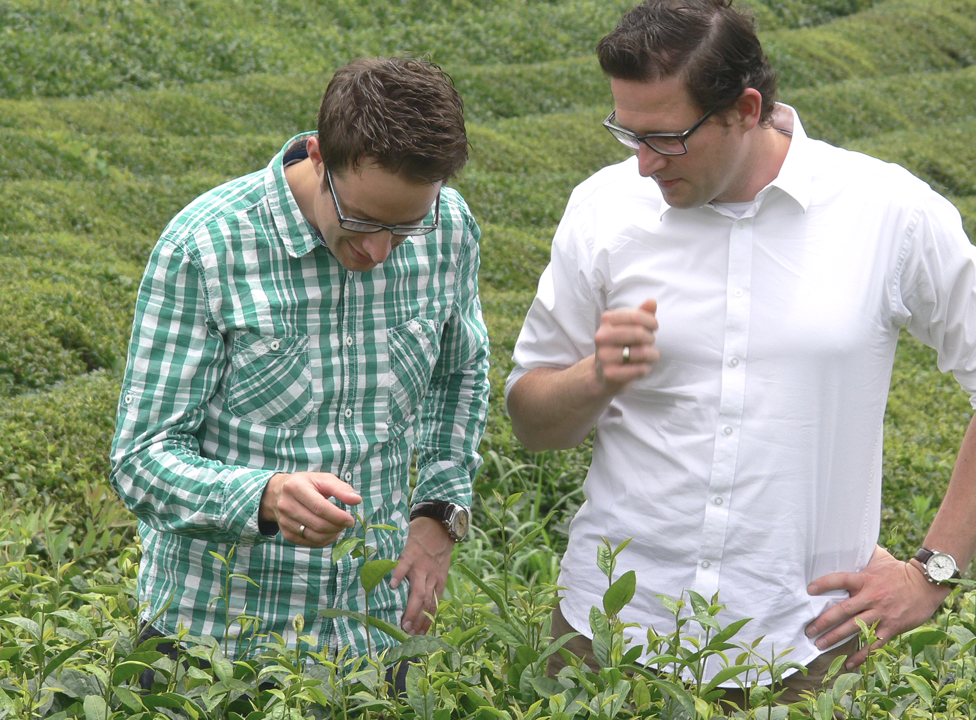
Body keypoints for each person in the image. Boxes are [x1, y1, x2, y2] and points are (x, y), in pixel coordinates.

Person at [506, 0, 975, 706]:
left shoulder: (888, 212)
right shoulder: (602, 210)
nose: (640, 165)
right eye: (626, 134)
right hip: (606, 631)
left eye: (664, 139)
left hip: (804, 648)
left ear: (744, 108)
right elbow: (531, 423)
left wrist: (931, 571)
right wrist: (593, 379)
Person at [110, 57, 490, 679]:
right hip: (214, 645)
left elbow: (461, 373)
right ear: (318, 155)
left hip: (373, 641)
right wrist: (262, 497)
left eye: (405, 228)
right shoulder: (206, 248)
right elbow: (141, 457)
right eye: (362, 220)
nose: (377, 250)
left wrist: (439, 512)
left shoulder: (450, 230)